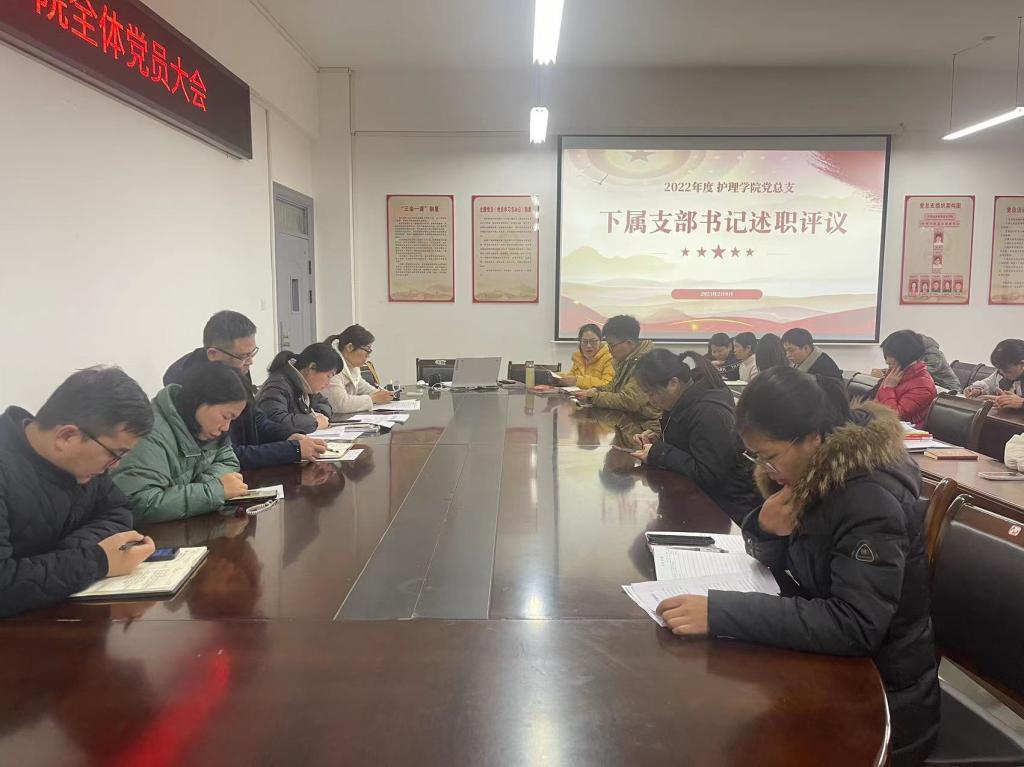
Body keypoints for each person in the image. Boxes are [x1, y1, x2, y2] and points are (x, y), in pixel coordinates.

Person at [656, 368, 939, 765]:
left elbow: (855, 625)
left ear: (814, 437)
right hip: (831, 669)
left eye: (769, 456)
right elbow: (792, 565)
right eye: (755, 456)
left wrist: (720, 612)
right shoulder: (810, 477)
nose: (764, 468)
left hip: (884, 700)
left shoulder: (868, 499)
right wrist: (764, 527)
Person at [0, 367, 157, 617]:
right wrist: (97, 561)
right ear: (66, 436)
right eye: (115, 454)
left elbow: (118, 509)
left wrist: (72, 554)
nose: (115, 465)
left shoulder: (86, 467)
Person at [164, 310, 327, 468]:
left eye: (252, 354)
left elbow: (255, 418)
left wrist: (287, 435)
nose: (250, 362)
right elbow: (225, 455)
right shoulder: (190, 386)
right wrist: (291, 450)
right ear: (214, 354)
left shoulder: (235, 367)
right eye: (244, 356)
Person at [631, 351, 759, 524]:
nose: (650, 400)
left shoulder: (709, 412)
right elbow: (691, 445)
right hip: (696, 502)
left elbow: (710, 475)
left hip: (721, 509)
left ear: (673, 383)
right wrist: (659, 442)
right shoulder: (683, 401)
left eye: (652, 393)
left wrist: (659, 453)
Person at [113, 362, 249, 523]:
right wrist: (213, 491)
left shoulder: (206, 428)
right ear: (200, 400)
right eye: (226, 417)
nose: (226, 427)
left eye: (232, 420)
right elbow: (140, 503)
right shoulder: (149, 434)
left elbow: (228, 461)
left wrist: (205, 488)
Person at [574, 315, 661, 432]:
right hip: (628, 422)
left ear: (629, 343)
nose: (609, 349)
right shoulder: (626, 360)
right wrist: (595, 390)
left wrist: (592, 397)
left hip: (646, 428)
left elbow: (629, 401)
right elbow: (613, 386)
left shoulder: (647, 363)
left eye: (612, 345)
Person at [256, 343, 340, 433]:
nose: (328, 383)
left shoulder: (305, 384)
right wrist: (314, 422)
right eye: (328, 376)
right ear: (312, 368)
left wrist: (319, 415)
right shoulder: (278, 386)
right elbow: (275, 420)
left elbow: (324, 403)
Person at [871, 331, 937, 428]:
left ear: (903, 356)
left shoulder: (923, 385)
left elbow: (894, 416)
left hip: (902, 432)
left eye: (890, 355)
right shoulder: (895, 374)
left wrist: (888, 389)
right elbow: (876, 405)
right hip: (882, 425)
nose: (886, 360)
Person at [323, 325, 394, 414]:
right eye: (367, 350)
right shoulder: (332, 366)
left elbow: (362, 386)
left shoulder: (351, 366)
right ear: (350, 347)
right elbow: (341, 404)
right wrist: (373, 398)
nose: (369, 355)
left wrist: (382, 394)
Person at [871, 332, 959, 392]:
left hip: (947, 390)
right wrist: (884, 372)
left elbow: (915, 373)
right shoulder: (916, 353)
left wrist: (885, 376)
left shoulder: (934, 355)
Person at [964, 338, 1024, 410]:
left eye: (1007, 371)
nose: (1003, 374)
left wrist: (1021, 403)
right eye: (1000, 369)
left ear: (1022, 364)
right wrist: (978, 390)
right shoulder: (1002, 372)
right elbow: (988, 384)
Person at [560, 323, 615, 389]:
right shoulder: (578, 358)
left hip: (596, 395)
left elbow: (607, 385)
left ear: (600, 341)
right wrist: (558, 378)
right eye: (584, 341)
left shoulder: (609, 358)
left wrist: (579, 381)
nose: (589, 345)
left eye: (593, 341)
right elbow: (570, 378)